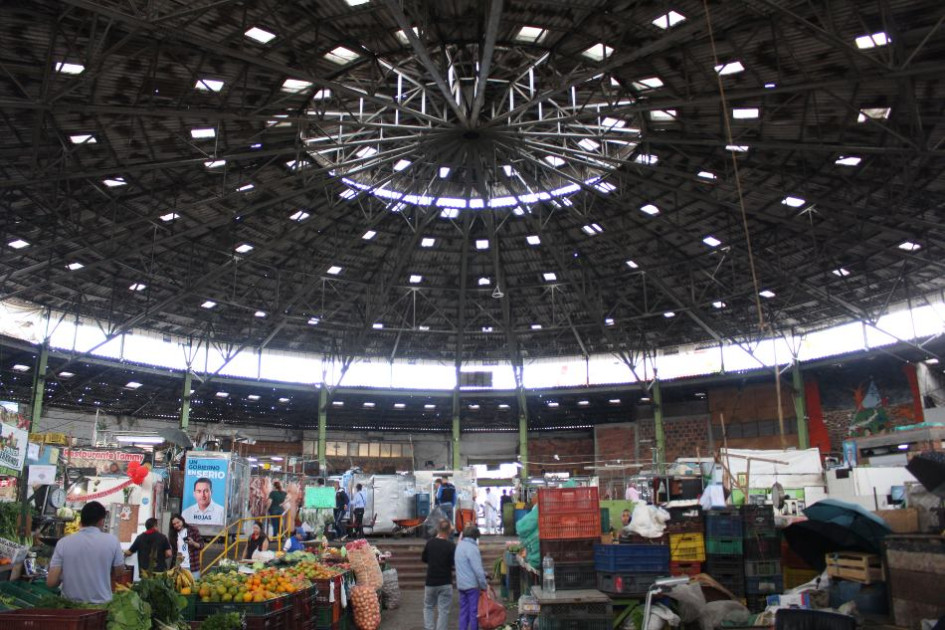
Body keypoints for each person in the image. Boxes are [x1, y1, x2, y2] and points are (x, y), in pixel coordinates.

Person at [47, 501, 125, 603]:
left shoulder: (63, 543)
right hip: (101, 608)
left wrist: (65, 574)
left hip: (70, 607)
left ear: (81, 520)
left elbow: (51, 582)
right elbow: (119, 572)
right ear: (101, 521)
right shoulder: (112, 541)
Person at [422, 519, 455, 630]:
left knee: (428, 607)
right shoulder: (451, 546)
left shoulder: (430, 543)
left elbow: (424, 558)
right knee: (444, 610)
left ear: (437, 529)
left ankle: (429, 628)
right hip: (446, 582)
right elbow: (453, 562)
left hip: (431, 582)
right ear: (449, 531)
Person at [454, 524, 487, 630]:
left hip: (461, 584)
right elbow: (477, 570)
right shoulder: (472, 548)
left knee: (463, 611)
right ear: (475, 537)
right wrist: (484, 585)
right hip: (472, 586)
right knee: (474, 612)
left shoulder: (459, 546)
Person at [169, 513, 204, 579]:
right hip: (179, 567)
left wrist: (193, 543)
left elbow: (201, 545)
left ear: (182, 520)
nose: (176, 525)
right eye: (174, 524)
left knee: (194, 587)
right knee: (180, 588)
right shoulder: (173, 535)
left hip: (193, 566)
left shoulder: (193, 530)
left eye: (178, 522)